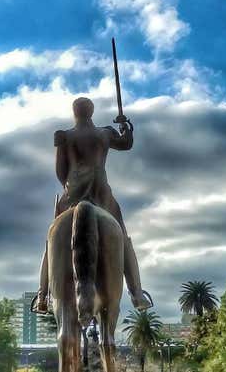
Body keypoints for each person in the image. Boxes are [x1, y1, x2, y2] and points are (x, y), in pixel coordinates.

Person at [33, 96, 152, 313]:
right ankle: (136, 293)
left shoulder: (63, 136)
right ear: (92, 112)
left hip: (72, 195)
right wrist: (126, 127)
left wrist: (70, 186)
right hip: (101, 193)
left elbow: (60, 171)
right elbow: (126, 145)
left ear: (74, 112)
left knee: (51, 243)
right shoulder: (105, 133)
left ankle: (42, 295)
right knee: (123, 240)